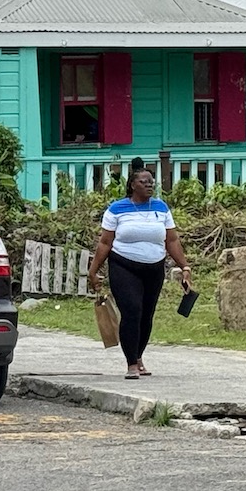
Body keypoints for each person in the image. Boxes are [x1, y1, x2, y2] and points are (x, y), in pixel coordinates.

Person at [87, 162, 191, 379]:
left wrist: (185, 266)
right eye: (143, 182)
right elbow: (105, 243)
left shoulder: (161, 208)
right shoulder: (117, 209)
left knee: (146, 314)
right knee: (132, 310)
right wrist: (93, 271)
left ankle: (139, 355)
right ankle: (131, 363)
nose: (148, 185)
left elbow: (171, 239)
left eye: (151, 182)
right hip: (124, 265)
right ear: (133, 185)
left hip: (154, 268)